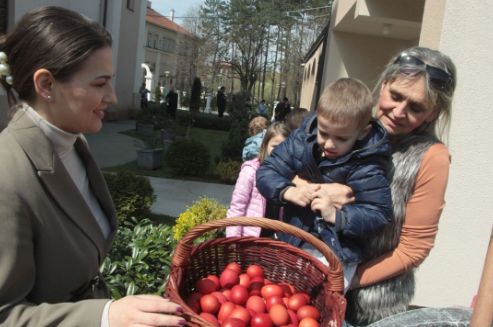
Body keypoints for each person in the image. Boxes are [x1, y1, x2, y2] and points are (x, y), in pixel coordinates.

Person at [0, 6, 184, 327]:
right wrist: (104, 316)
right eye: (100, 84)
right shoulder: (7, 176)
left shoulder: (75, 142)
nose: (111, 96)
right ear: (46, 85)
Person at [340, 47, 456, 326]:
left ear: (433, 113)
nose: (399, 111)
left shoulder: (431, 157)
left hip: (371, 306)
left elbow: (413, 249)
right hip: (313, 280)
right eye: (395, 96)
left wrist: (349, 280)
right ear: (384, 85)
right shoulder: (346, 128)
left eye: (416, 107)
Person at [256, 78, 393, 294]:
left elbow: (379, 215)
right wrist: (289, 191)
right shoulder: (302, 139)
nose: (329, 144)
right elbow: (267, 171)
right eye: (324, 133)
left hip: (337, 256)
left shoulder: (367, 164)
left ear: (363, 132)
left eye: (341, 138)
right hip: (293, 241)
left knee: (321, 308)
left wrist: (338, 217)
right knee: (281, 300)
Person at [227, 122, 291, 238]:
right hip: (248, 239)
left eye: (284, 147)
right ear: (265, 145)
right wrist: (233, 238)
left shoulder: (286, 173)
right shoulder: (250, 171)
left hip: (270, 239)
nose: (280, 151)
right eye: (275, 146)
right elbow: (237, 206)